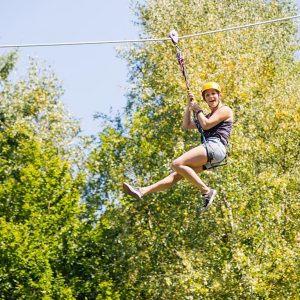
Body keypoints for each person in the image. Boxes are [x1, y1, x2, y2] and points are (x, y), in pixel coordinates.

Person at [123, 82, 233, 211]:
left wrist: (198, 109)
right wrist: (189, 106)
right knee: (177, 174)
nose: (211, 97)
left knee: (177, 164)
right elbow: (186, 125)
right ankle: (142, 191)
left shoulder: (225, 110)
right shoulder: (206, 116)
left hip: (215, 146)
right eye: (207, 95)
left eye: (213, 93)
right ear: (205, 99)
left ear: (220, 95)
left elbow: (206, 125)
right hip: (215, 155)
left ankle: (206, 190)